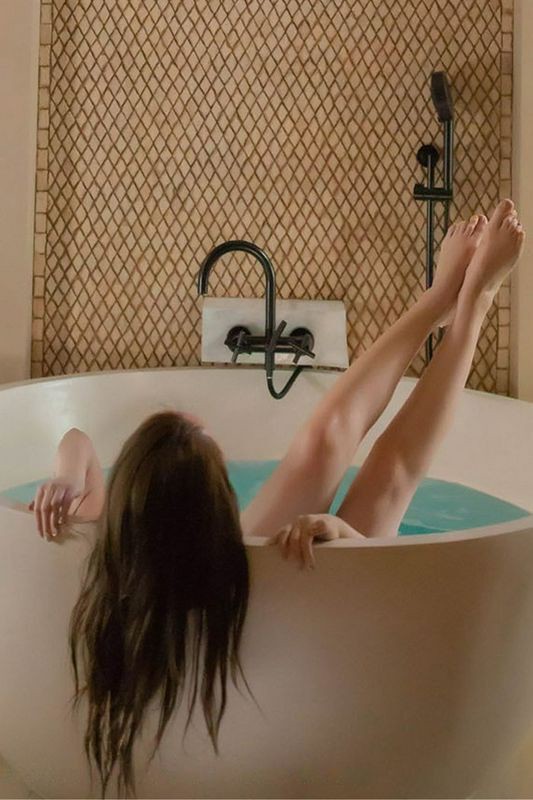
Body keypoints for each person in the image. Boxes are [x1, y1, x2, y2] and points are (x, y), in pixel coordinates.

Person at [30, 199, 525, 795]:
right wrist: (347, 538)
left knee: (320, 447)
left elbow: (77, 440)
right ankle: (473, 303)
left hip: (223, 586)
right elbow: (395, 472)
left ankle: (439, 300)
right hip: (314, 689)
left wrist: (67, 475)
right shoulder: (257, 568)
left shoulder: (114, 551)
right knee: (374, 482)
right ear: (219, 507)